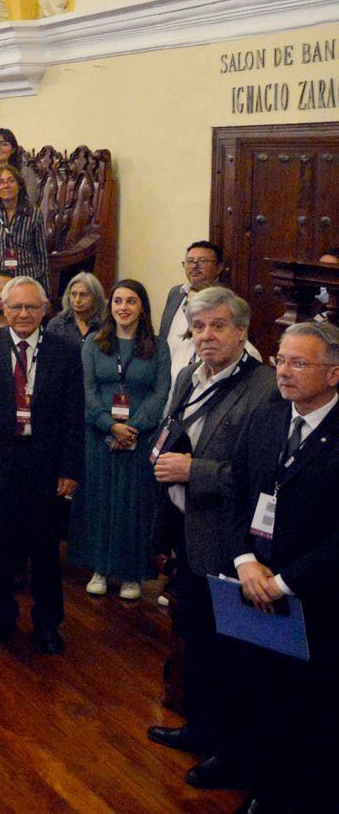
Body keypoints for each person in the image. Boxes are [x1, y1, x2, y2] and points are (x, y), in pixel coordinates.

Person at [145, 287, 277, 790]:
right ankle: (200, 728)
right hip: (185, 529)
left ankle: (233, 751)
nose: (206, 336)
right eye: (199, 327)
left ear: (242, 332)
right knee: (195, 639)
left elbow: (258, 476)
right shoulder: (186, 376)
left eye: (218, 326)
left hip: (232, 543)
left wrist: (193, 471)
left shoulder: (264, 387)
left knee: (233, 652)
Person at [227, 321, 339, 813]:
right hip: (255, 587)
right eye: (280, 360)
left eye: (300, 363)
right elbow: (237, 491)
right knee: (259, 695)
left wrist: (285, 582)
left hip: (317, 599)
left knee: (311, 709)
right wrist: (246, 561)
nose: (284, 372)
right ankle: (264, 789)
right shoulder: (268, 417)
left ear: (333, 373)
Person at [0, 277, 83, 653]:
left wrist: (70, 470)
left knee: (46, 548)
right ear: (2, 307)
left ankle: (48, 623)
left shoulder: (66, 351)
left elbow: (73, 415)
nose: (22, 314)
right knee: (0, 546)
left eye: (31, 307)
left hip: (45, 462)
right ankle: (1, 616)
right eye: (15, 307)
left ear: (45, 308)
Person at [67, 280, 169, 602]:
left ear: (142, 307)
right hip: (99, 436)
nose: (123, 307)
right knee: (99, 501)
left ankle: (131, 574)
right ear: (110, 306)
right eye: (117, 301)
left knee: (133, 505)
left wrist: (133, 427)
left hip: (140, 439)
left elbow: (160, 392)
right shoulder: (94, 344)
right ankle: (99, 568)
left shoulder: (158, 345)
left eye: (131, 301)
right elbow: (86, 390)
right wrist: (110, 425)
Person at [157, 241, 229, 374]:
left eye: (202, 261)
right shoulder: (175, 293)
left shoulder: (226, 301)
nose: (195, 267)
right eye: (190, 261)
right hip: (168, 378)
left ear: (219, 267)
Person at [47, 272, 106, 345]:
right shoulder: (56, 325)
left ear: (96, 297)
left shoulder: (106, 324)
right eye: (73, 294)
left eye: (83, 295)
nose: (77, 300)